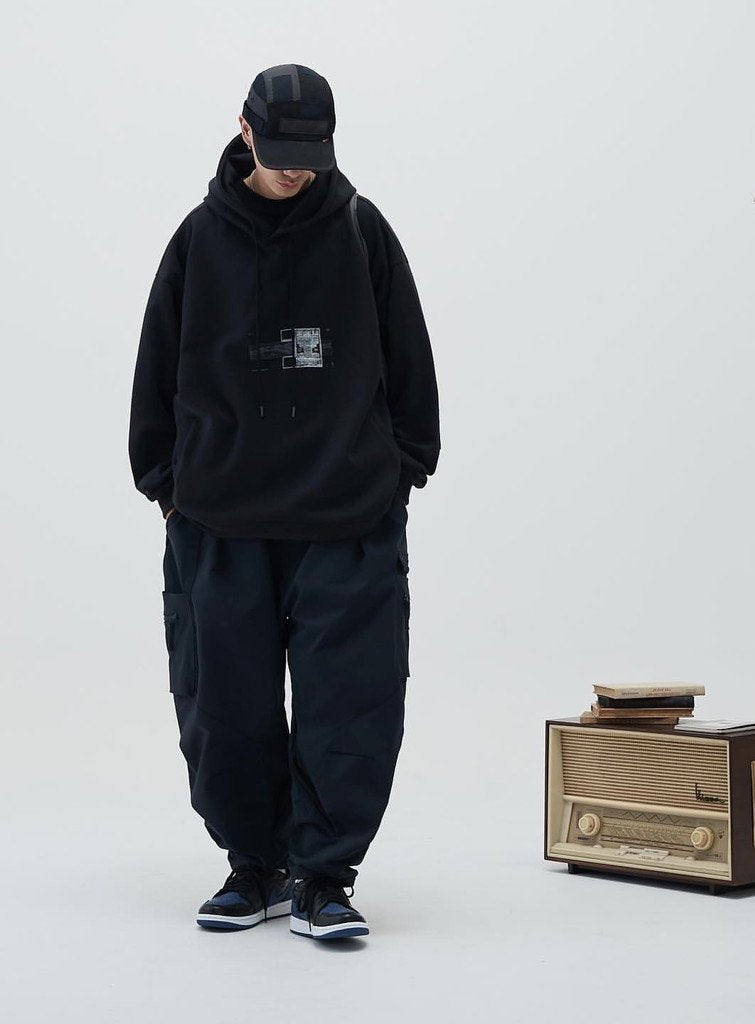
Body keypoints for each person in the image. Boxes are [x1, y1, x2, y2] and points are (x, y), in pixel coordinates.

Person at [128, 63, 440, 941]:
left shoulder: (361, 231)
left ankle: (325, 878)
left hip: (347, 516)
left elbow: (409, 360)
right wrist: (167, 487)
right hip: (220, 520)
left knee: (353, 703)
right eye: (279, 149)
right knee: (222, 706)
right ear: (244, 129)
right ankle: (253, 868)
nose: (296, 168)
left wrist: (400, 473)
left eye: (311, 152)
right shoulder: (198, 240)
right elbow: (155, 368)